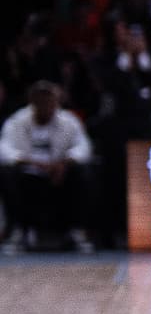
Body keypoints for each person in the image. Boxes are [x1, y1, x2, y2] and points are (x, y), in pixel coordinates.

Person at [0, 82, 94, 252]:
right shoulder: (17, 121)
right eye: (40, 101)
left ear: (56, 102)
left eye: (49, 101)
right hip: (28, 174)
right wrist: (30, 162)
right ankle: (19, 231)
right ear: (31, 102)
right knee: (6, 172)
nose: (45, 106)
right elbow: (5, 149)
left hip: (60, 173)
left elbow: (84, 147)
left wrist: (64, 163)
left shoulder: (69, 121)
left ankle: (76, 231)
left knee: (84, 171)